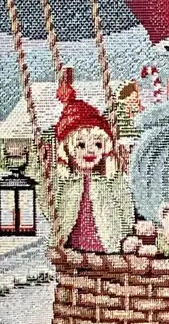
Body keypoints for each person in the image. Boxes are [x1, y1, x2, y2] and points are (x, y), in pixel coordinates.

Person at [49, 70, 133, 255]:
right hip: (74, 246)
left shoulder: (110, 177)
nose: (90, 151)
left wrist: (126, 235)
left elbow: (125, 205)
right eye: (80, 145)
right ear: (68, 150)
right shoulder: (66, 180)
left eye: (97, 144)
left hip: (108, 243)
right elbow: (51, 205)